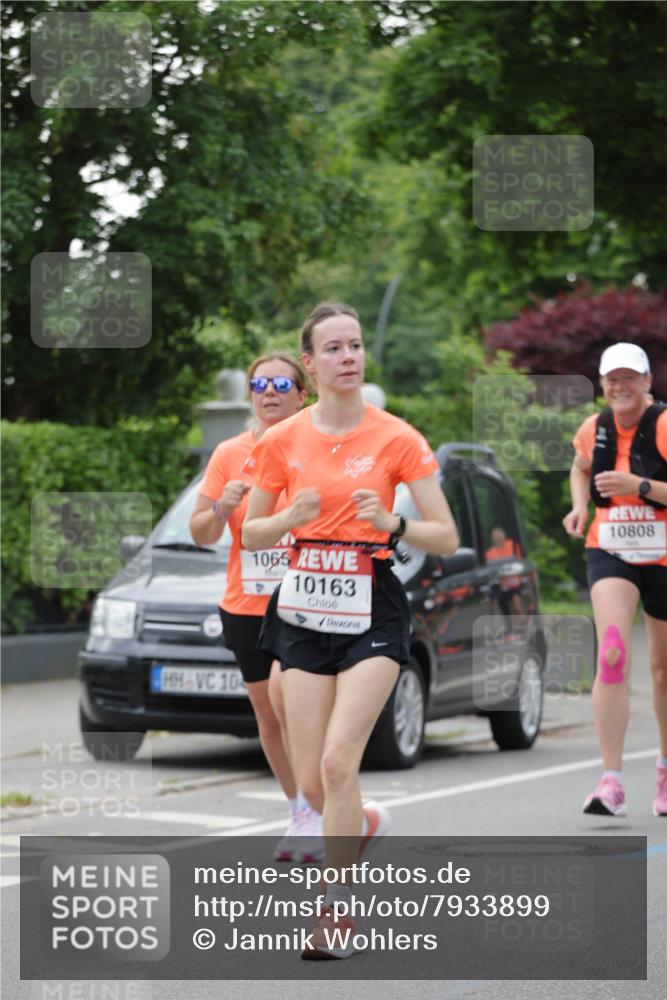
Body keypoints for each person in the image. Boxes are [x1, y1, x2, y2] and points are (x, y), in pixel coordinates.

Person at [242, 302, 459, 958]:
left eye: (355, 346)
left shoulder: (397, 436)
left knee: (340, 761)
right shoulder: (280, 441)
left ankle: (334, 914)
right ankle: (358, 823)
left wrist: (393, 524)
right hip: (304, 608)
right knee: (312, 782)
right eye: (332, 348)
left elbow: (444, 534)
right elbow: (250, 533)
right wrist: (289, 518)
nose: (348, 358)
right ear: (309, 364)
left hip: (372, 604)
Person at [189, 352, 324, 862]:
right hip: (246, 603)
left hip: (306, 599)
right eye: (258, 384)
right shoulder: (229, 453)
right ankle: (300, 811)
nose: (268, 392)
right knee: (269, 715)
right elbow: (201, 533)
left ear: (302, 394)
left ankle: (319, 803)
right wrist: (222, 506)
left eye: (280, 383)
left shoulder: (318, 448)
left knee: (296, 706)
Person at [563, 342, 667, 818]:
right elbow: (580, 466)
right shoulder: (595, 428)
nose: (620, 386)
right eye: (612, 379)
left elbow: (639, 485)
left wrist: (639, 486)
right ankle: (612, 781)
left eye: (630, 378)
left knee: (663, 669)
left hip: (663, 555)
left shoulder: (663, 425)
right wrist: (580, 505)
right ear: (602, 385)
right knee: (611, 651)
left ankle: (665, 772)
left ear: (648, 382)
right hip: (611, 547)